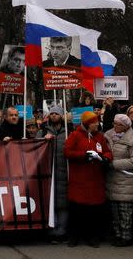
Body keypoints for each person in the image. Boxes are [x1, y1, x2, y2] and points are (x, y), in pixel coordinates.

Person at [64, 110, 113, 247]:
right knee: (77, 211)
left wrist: (104, 157)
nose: (97, 124)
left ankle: (93, 237)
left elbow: (108, 152)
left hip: (95, 180)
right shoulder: (75, 135)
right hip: (79, 180)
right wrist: (84, 155)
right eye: (94, 122)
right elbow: (67, 152)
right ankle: (74, 237)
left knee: (94, 212)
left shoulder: (100, 137)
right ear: (88, 124)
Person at [105, 114, 133, 246]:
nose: (115, 126)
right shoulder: (107, 135)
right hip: (111, 179)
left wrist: (114, 164)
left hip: (126, 181)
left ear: (126, 126)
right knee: (114, 213)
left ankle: (126, 237)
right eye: (114, 123)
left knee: (125, 213)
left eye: (118, 124)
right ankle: (117, 235)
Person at [38, 105, 69, 242]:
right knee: (51, 202)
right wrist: (43, 140)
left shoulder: (69, 131)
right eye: (52, 113)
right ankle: (52, 230)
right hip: (49, 171)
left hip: (64, 171)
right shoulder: (43, 130)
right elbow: (35, 148)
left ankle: (62, 231)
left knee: (64, 203)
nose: (54, 115)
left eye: (57, 113)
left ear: (62, 116)